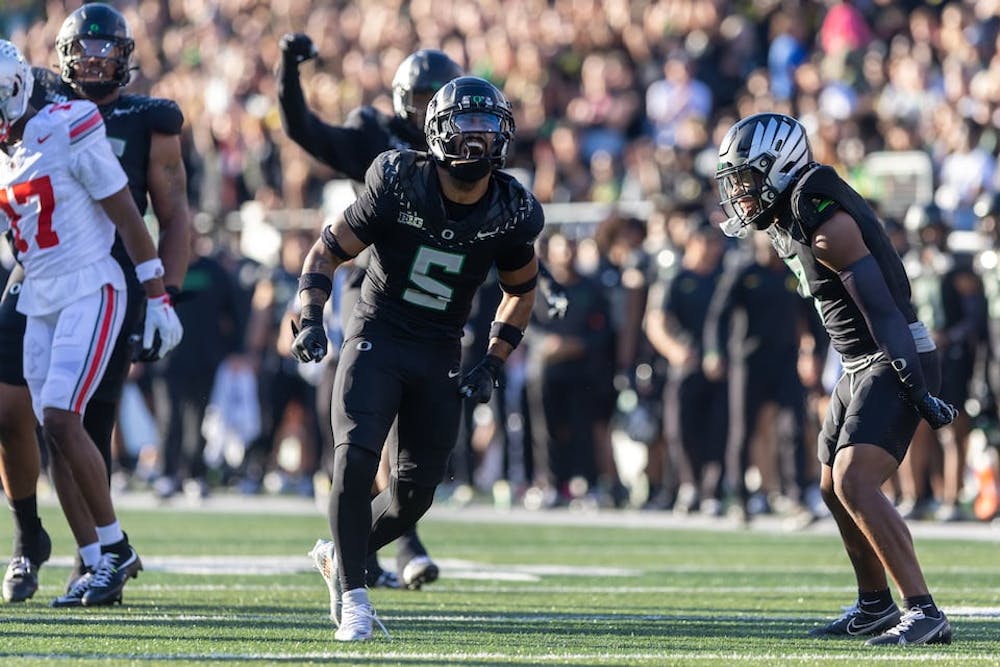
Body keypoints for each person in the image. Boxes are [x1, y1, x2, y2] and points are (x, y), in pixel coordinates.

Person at [291, 76, 540, 641]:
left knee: (412, 497)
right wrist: (309, 315)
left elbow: (522, 289)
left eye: (486, 130)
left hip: (439, 350)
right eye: (464, 129)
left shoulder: (512, 208)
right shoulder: (398, 180)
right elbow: (329, 249)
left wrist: (494, 361)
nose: (475, 143)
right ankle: (353, 596)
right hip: (378, 333)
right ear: (436, 133)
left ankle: (340, 554)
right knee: (355, 461)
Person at [716, 112, 955, 646]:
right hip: (857, 361)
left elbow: (884, 309)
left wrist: (915, 386)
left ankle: (924, 610)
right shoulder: (792, 211)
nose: (742, 193)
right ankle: (874, 604)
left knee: (854, 479)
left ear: (778, 169)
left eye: (748, 180)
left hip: (889, 355)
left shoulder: (825, 218)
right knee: (830, 486)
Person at [0, 3, 190, 606]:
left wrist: (161, 293)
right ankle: (91, 558)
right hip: (37, 290)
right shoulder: (12, 144)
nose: (95, 61)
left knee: (66, 416)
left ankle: (113, 549)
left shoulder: (72, 122)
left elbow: (134, 213)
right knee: (50, 425)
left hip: (95, 283)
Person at [277, 37, 462, 591]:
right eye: (421, 97)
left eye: (438, 97)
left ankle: (384, 536)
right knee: (371, 419)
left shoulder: (467, 145)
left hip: (439, 296)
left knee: (422, 438)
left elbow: (498, 224)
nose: (430, 108)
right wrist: (289, 71)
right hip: (376, 281)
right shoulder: (379, 143)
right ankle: (400, 544)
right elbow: (304, 130)